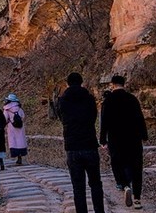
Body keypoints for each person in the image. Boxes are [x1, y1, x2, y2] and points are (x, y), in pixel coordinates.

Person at [58, 72, 105, 213]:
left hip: (72, 147)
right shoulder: (89, 99)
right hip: (89, 144)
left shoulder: (62, 101)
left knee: (78, 187)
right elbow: (93, 117)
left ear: (68, 83)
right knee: (96, 183)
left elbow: (62, 118)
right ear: (81, 82)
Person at [100, 75, 148, 209]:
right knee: (137, 167)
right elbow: (140, 118)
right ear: (124, 84)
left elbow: (104, 122)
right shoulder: (132, 99)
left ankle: (126, 185)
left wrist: (103, 139)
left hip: (116, 139)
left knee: (117, 163)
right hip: (134, 138)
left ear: (112, 84)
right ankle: (137, 199)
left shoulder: (108, 101)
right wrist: (144, 135)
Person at [3, 93, 28, 166]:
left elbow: (4, 119)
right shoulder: (19, 108)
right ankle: (20, 156)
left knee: (14, 141)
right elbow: (23, 116)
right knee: (20, 140)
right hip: (20, 126)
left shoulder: (6, 109)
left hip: (11, 127)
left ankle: (16, 155)